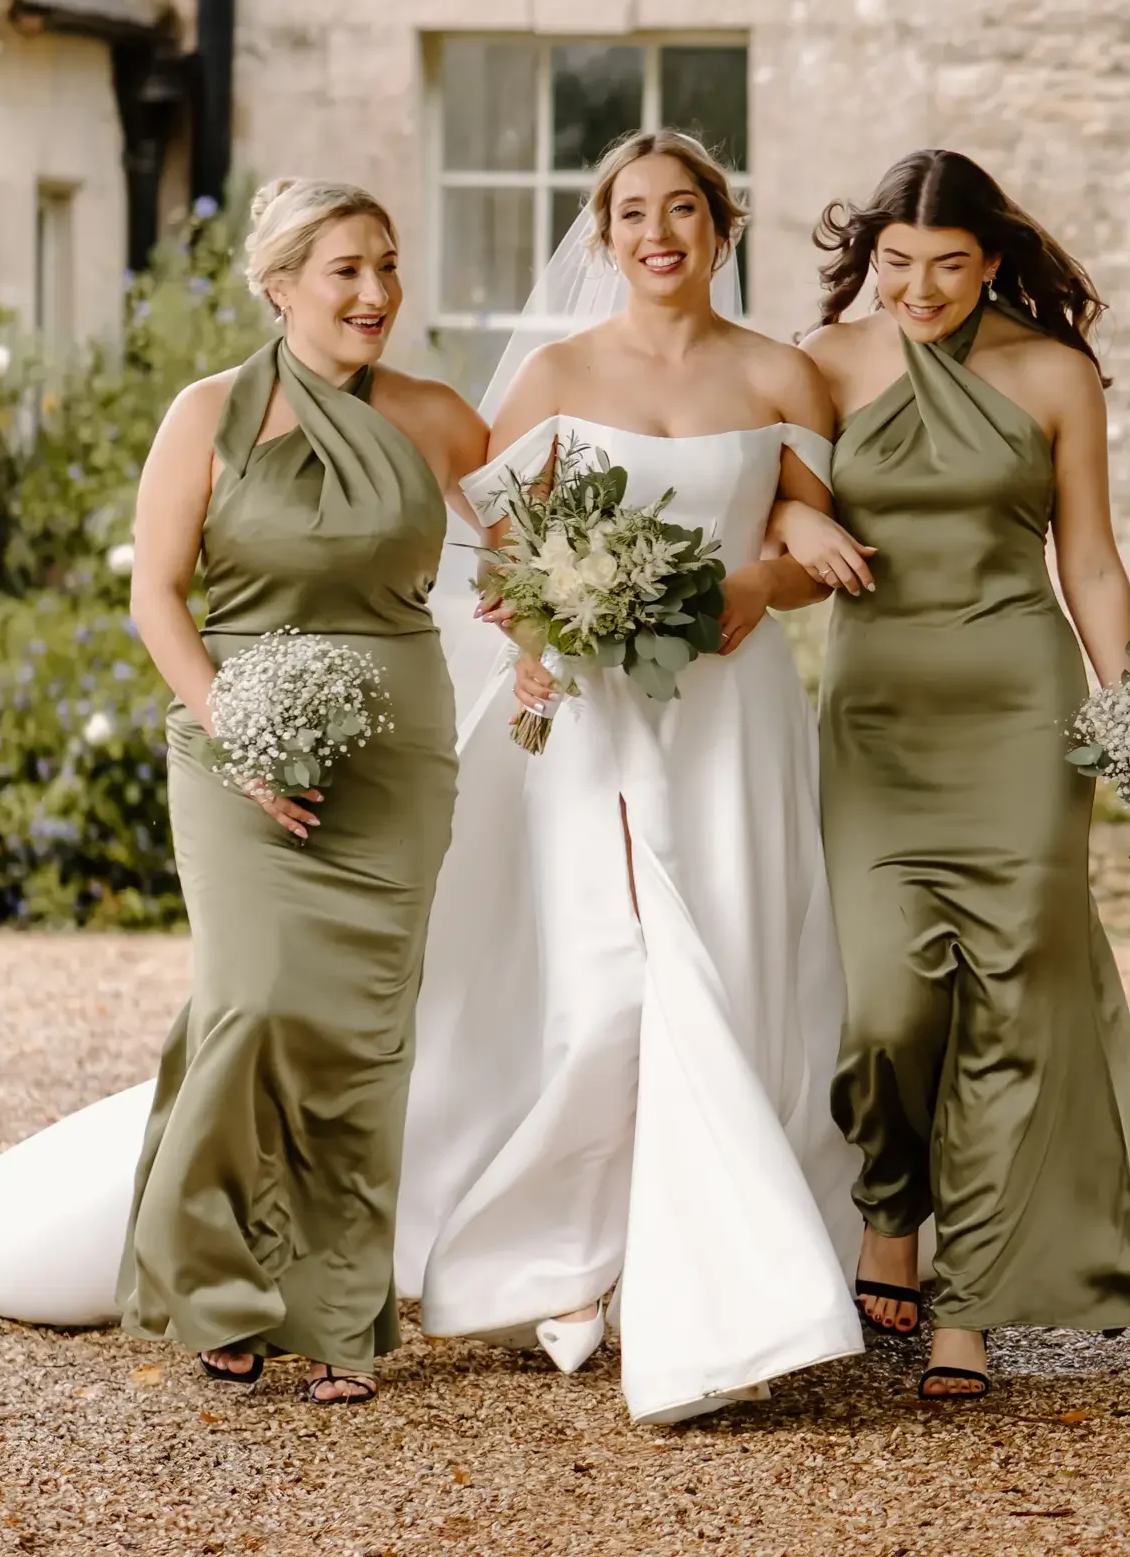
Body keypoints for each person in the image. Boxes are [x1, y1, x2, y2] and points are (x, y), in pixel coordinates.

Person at [0, 180, 487, 1408]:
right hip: (232, 743)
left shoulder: (439, 418)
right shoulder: (206, 416)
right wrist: (236, 730)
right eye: (346, 269)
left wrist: (564, 597)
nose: (375, 294)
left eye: (388, 268)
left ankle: (341, 1314)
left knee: (360, 1037)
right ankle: (219, 1279)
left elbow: (529, 540)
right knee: (249, 1005)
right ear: (281, 282)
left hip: (396, 758)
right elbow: (158, 596)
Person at [394, 130, 865, 1424]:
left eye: (683, 210)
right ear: (602, 237)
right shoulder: (551, 374)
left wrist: (764, 574)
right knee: (607, 986)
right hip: (593, 718)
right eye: (631, 213)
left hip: (731, 714)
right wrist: (546, 633)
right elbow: (490, 549)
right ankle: (560, 1252)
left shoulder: (779, 372)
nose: (658, 232)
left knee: (735, 962)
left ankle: (698, 1268)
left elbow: (799, 524)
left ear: (722, 227)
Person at [770, 148, 1130, 1403]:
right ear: (868, 254)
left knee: (1010, 1005)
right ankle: (887, 1213)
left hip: (1021, 720)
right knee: (886, 1008)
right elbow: (754, 508)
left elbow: (1087, 560)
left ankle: (964, 1298)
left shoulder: (1052, 372)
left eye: (946, 266)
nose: (917, 289)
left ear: (990, 261)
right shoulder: (816, 366)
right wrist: (797, 519)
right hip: (876, 719)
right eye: (896, 264)